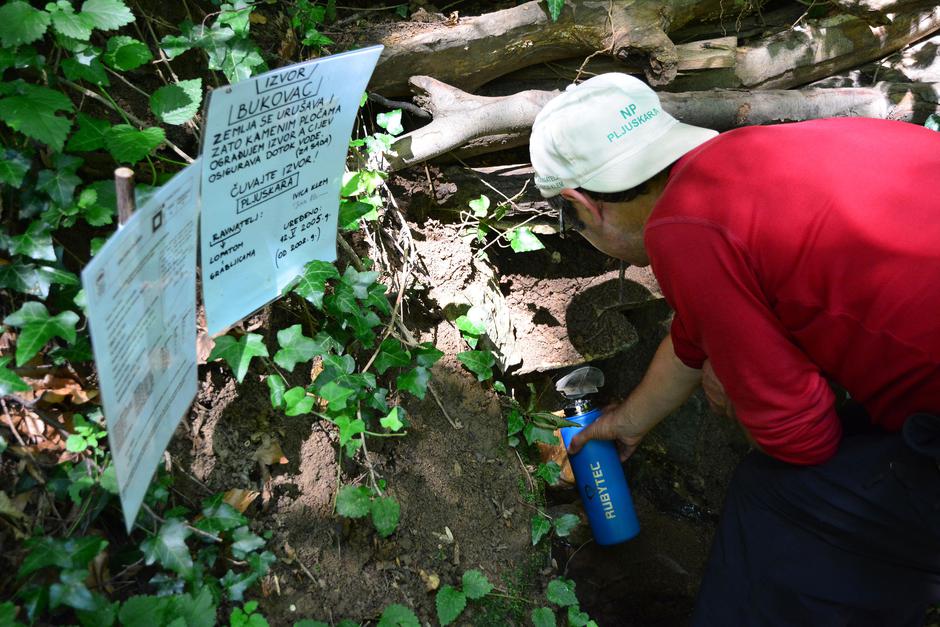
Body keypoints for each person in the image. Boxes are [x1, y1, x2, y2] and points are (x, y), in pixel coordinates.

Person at [529, 72, 940, 626]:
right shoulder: (754, 158)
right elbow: (697, 335)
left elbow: (802, 439)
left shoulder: (683, 229)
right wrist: (628, 422)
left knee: (781, 502)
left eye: (569, 219)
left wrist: (749, 398)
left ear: (583, 202)